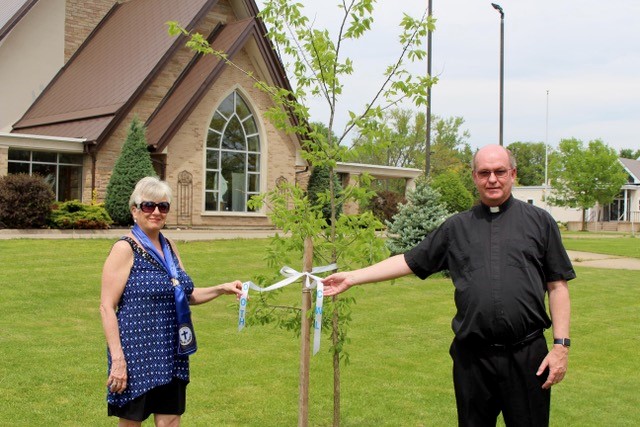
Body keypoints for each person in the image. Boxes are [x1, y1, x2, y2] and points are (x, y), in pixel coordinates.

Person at [323, 144, 575, 427]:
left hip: (528, 356)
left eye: (500, 171)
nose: (492, 179)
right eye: (484, 172)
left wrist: (561, 347)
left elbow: (558, 286)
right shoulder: (457, 228)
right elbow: (409, 260)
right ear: (474, 177)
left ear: (513, 174)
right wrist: (353, 277)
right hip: (473, 359)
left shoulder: (539, 222)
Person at [100, 176, 242, 426]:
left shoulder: (169, 246)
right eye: (148, 206)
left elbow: (185, 295)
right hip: (137, 353)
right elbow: (106, 307)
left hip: (171, 350)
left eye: (163, 207)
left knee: (170, 421)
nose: (156, 212)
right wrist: (118, 358)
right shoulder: (125, 248)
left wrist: (222, 288)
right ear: (135, 210)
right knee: (132, 422)